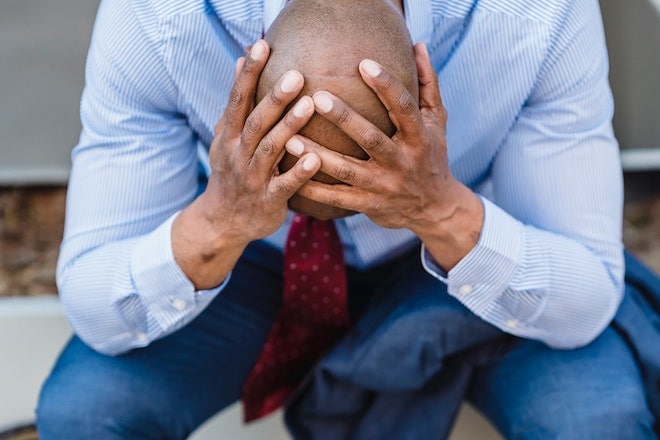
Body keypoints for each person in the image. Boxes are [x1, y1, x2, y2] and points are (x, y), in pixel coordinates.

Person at [36, 0, 658, 438]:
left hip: (454, 247)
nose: (332, 187)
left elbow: (586, 296)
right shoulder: (159, 17)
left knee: (594, 418)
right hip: (248, 255)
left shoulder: (535, 16)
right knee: (88, 412)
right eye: (294, 153)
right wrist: (221, 219)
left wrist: (439, 207)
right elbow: (94, 301)